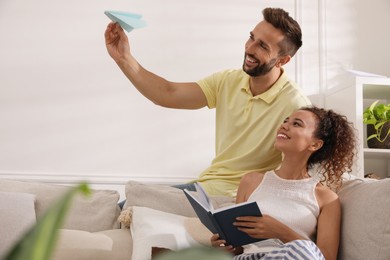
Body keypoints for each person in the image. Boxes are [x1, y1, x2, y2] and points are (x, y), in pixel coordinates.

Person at [104, 7, 311, 197]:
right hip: (205, 187)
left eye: (262, 46)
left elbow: (298, 172)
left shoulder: (296, 105)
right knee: (123, 208)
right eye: (251, 38)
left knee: (133, 207)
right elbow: (168, 93)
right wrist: (123, 58)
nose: (250, 48)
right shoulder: (229, 80)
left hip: (235, 198)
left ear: (283, 60)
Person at [210, 106, 357, 260]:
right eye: (286, 121)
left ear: (315, 145)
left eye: (296, 124)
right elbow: (239, 247)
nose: (284, 125)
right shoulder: (251, 181)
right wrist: (225, 246)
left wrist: (280, 231)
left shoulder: (326, 198)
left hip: (292, 256)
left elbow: (325, 257)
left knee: (301, 248)